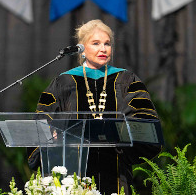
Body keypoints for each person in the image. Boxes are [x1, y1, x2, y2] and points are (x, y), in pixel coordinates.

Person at [27, 19, 161, 194]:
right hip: (72, 175)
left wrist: (121, 131)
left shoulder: (127, 80)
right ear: (82, 48)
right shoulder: (63, 82)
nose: (103, 49)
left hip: (116, 171)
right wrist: (52, 135)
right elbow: (42, 121)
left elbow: (144, 121)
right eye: (96, 43)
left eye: (107, 44)